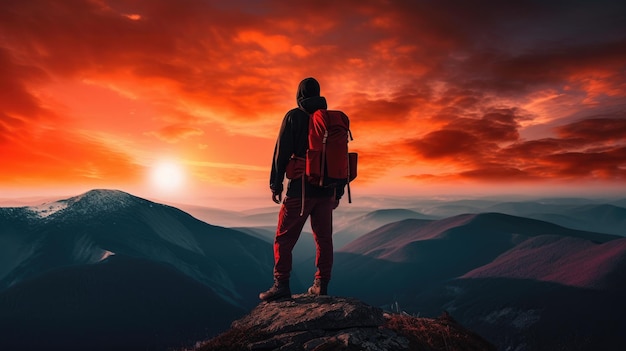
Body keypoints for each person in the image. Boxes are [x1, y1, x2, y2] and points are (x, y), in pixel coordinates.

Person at [259, 77, 344, 302]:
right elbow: (340, 158)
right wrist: (339, 190)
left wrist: (275, 184)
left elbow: (281, 152)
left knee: (284, 239)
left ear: (300, 95)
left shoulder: (294, 116)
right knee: (323, 239)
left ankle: (281, 284)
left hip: (300, 191)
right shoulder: (329, 120)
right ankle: (321, 284)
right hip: (327, 190)